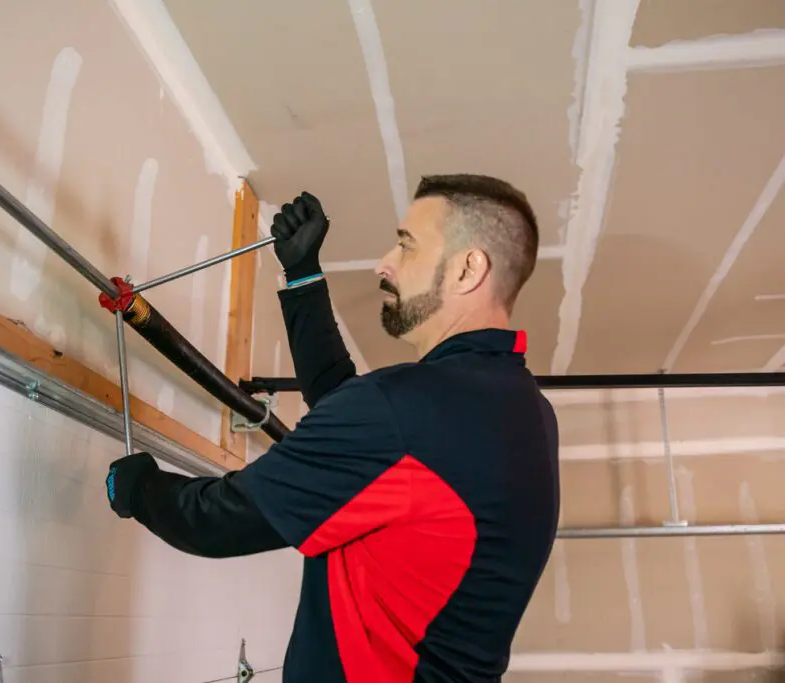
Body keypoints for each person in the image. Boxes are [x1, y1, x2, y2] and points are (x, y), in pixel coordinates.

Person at [105, 174, 560, 683]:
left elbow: (214, 521)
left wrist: (138, 487)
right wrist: (302, 276)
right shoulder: (527, 412)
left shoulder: (404, 411)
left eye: (406, 246)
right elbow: (356, 435)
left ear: (467, 268)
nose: (383, 264)